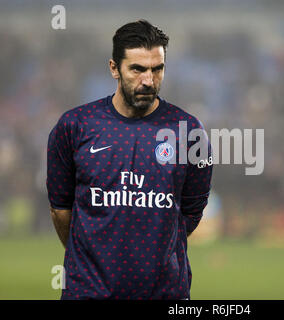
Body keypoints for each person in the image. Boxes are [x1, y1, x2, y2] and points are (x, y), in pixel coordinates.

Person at [46, 19, 213, 300]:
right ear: (114, 68)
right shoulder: (75, 126)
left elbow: (191, 211)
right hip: (88, 292)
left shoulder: (188, 131)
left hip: (164, 293)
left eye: (157, 69)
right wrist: (91, 258)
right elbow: (61, 209)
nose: (148, 80)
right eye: (137, 69)